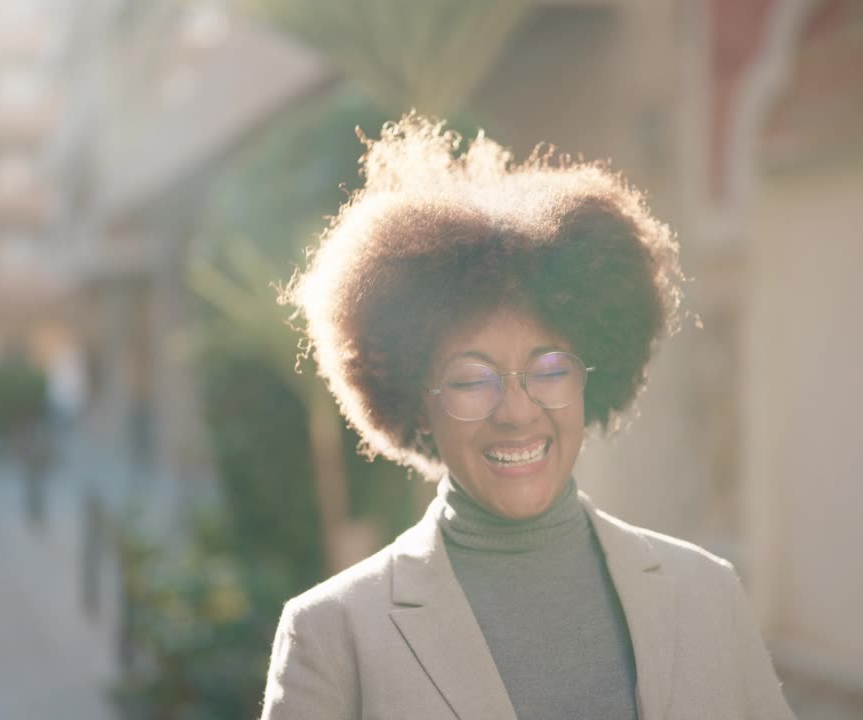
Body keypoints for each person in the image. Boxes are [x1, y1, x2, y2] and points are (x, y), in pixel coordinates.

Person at [262, 115, 795, 720]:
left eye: (548, 369)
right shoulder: (334, 634)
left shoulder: (706, 592)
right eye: (470, 379)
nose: (516, 412)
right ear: (418, 402)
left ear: (592, 377)